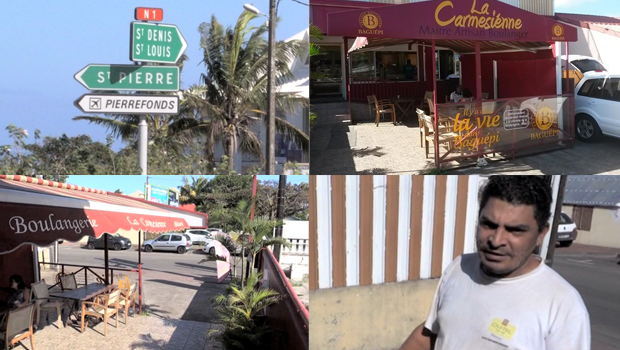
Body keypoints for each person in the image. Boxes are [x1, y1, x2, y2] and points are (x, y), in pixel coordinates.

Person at [399, 176, 591, 350]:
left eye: (515, 230)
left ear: (541, 234)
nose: (496, 240)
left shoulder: (564, 305)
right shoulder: (460, 268)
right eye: (488, 225)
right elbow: (427, 337)